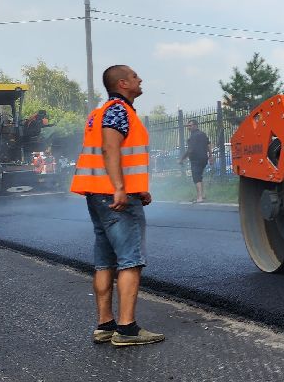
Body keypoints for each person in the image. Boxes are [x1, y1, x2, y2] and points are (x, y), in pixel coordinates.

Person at [70, 64, 162, 347]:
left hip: (98, 196)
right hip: (115, 198)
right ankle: (126, 329)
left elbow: (117, 154)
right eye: (135, 76)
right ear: (122, 83)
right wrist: (121, 189)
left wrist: (138, 189)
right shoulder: (119, 111)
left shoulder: (100, 113)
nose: (140, 78)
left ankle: (105, 325)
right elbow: (110, 148)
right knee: (130, 261)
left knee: (104, 262)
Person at [180, 118, 211, 203]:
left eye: (190, 126)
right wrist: (211, 157)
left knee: (196, 178)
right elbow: (208, 145)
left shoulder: (193, 136)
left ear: (195, 126)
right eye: (188, 126)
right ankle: (203, 195)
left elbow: (190, 150)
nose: (188, 127)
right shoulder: (203, 134)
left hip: (196, 160)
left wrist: (182, 159)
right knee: (199, 176)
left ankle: (200, 197)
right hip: (204, 159)